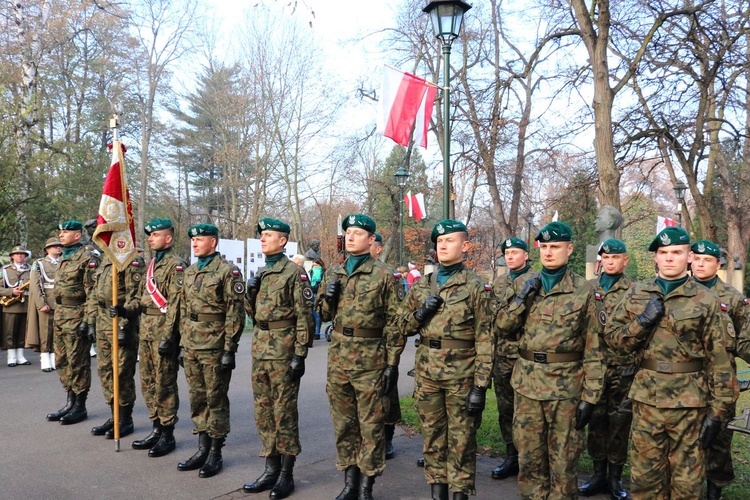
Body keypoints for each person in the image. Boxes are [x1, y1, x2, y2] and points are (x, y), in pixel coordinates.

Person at [605, 227, 736, 499]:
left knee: (687, 484)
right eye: (662, 253)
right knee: (644, 480)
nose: (668, 258)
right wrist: (641, 323)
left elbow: (720, 361)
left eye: (676, 252)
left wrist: (719, 411)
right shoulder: (636, 294)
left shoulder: (707, 300)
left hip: (690, 403)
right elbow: (613, 340)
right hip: (647, 400)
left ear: (689, 256)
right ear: (655, 257)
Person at [500, 221, 604, 499]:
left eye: (555, 247)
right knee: (529, 461)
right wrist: (523, 296)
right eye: (543, 247)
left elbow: (594, 348)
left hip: (565, 390)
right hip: (527, 387)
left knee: (563, 464)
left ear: (569, 249)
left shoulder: (584, 291)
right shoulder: (523, 284)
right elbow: (501, 327)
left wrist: (590, 397)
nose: (548, 252)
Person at [399, 219, 493, 500]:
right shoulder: (422, 285)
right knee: (432, 439)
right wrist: (420, 314)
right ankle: (437, 494)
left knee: (462, 441)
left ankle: (460, 494)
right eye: (439, 241)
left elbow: (486, 339)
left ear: (464, 246)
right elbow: (401, 326)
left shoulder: (475, 286)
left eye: (449, 240)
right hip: (427, 374)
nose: (442, 245)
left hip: (461, 377)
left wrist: (480, 386)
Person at [315, 213, 403, 500]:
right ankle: (349, 484)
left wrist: (392, 364)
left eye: (357, 233)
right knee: (344, 424)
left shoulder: (384, 275)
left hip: (371, 361)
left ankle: (367, 487)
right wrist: (328, 297)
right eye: (348, 232)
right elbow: (324, 315)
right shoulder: (334, 273)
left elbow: (395, 323)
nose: (350, 237)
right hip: (339, 359)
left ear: (371, 240)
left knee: (371, 426)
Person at [242, 218, 314, 499]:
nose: (262, 238)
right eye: (261, 234)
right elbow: (253, 315)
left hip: (283, 352)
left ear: (282, 241)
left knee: (284, 412)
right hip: (260, 350)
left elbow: (304, 316)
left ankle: (286, 473)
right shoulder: (261, 271)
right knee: (263, 411)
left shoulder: (293, 273)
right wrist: (250, 291)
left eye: (268, 235)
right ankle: (270, 467)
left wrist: (300, 353)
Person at [177, 223, 245, 478]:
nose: (194, 243)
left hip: (214, 346)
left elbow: (235, 313)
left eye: (200, 239)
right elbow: (185, 309)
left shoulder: (228, 271)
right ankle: (202, 448)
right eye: (193, 239)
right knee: (197, 398)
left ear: (213, 243)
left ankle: (215, 453)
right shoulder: (191, 271)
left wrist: (230, 349)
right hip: (192, 344)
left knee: (215, 399)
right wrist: (182, 343)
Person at [690, 239, 749, 499]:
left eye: (708, 260)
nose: (701, 264)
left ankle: (715, 492)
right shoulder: (679, 292)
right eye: (698, 259)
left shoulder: (732, 299)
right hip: (685, 380)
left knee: (719, 440)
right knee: (686, 438)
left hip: (721, 381)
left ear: (718, 264)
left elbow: (743, 342)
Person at [578, 239, 634, 499]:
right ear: (601, 260)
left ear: (625, 260)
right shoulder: (589, 288)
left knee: (620, 423)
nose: (610, 262)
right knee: (596, 421)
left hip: (622, 369)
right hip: (594, 367)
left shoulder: (635, 291)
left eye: (616, 258)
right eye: (606, 258)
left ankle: (615, 479)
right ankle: (598, 474)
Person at [130, 218, 185, 457]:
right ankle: (156, 427)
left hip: (163, 330)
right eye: (150, 235)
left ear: (168, 238)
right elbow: (144, 298)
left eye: (155, 235)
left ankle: (168, 433)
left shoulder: (176, 265)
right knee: (149, 382)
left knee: (165, 383)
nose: (150, 238)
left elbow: (175, 304)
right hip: (146, 331)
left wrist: (169, 336)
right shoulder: (152, 264)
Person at [87, 248, 144, 439]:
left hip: (120, 321)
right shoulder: (105, 261)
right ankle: (114, 415)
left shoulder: (130, 260)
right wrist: (91, 321)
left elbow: (134, 295)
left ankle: (125, 419)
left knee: (122, 372)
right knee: (105, 371)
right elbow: (95, 295)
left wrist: (124, 322)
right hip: (103, 321)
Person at [46, 220, 99, 425]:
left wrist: (88, 319)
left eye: (66, 232)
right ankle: (70, 400)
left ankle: (80, 405)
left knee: (78, 362)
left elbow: (92, 292)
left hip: (77, 314)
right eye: (60, 232)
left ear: (77, 235)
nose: (61, 235)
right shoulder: (62, 258)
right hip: (61, 314)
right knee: (62, 360)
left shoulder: (87, 258)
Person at [491, 237, 533, 481]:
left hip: (524, 355)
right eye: (507, 252)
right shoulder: (500, 282)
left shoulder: (535, 280)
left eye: (515, 252)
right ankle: (511, 456)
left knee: (525, 411)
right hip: (502, 355)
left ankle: (528, 457)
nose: (510, 256)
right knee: (505, 408)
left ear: (526, 255)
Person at [371, 232, 405, 461]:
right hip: (361, 347)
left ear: (379, 248)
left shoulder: (388, 274)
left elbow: (397, 315)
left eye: (372, 243)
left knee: (387, 393)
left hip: (383, 342)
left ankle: (388, 436)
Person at [25, 238, 63, 372]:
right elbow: (35, 285)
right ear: (47, 250)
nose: (58, 248)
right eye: (54, 246)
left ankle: (55, 358)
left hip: (61, 302)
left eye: (59, 246)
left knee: (57, 332)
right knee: (46, 332)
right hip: (47, 300)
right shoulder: (39, 263)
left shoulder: (64, 262)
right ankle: (45, 359)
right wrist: (41, 303)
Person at [1, 245, 32, 366]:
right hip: (11, 305)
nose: (20, 255)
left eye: (22, 254)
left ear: (25, 256)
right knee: (10, 331)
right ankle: (11, 357)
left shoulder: (31, 269)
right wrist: (11, 292)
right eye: (17, 254)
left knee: (22, 331)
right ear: (12, 256)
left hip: (26, 304)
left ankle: (20, 356)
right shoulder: (5, 270)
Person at [309, 260, 324, 340]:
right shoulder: (314, 270)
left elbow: (317, 283)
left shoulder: (317, 270)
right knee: (316, 313)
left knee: (315, 313)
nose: (313, 264)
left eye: (314, 262)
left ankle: (317, 332)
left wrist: (311, 288)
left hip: (315, 293)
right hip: (315, 292)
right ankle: (316, 332)